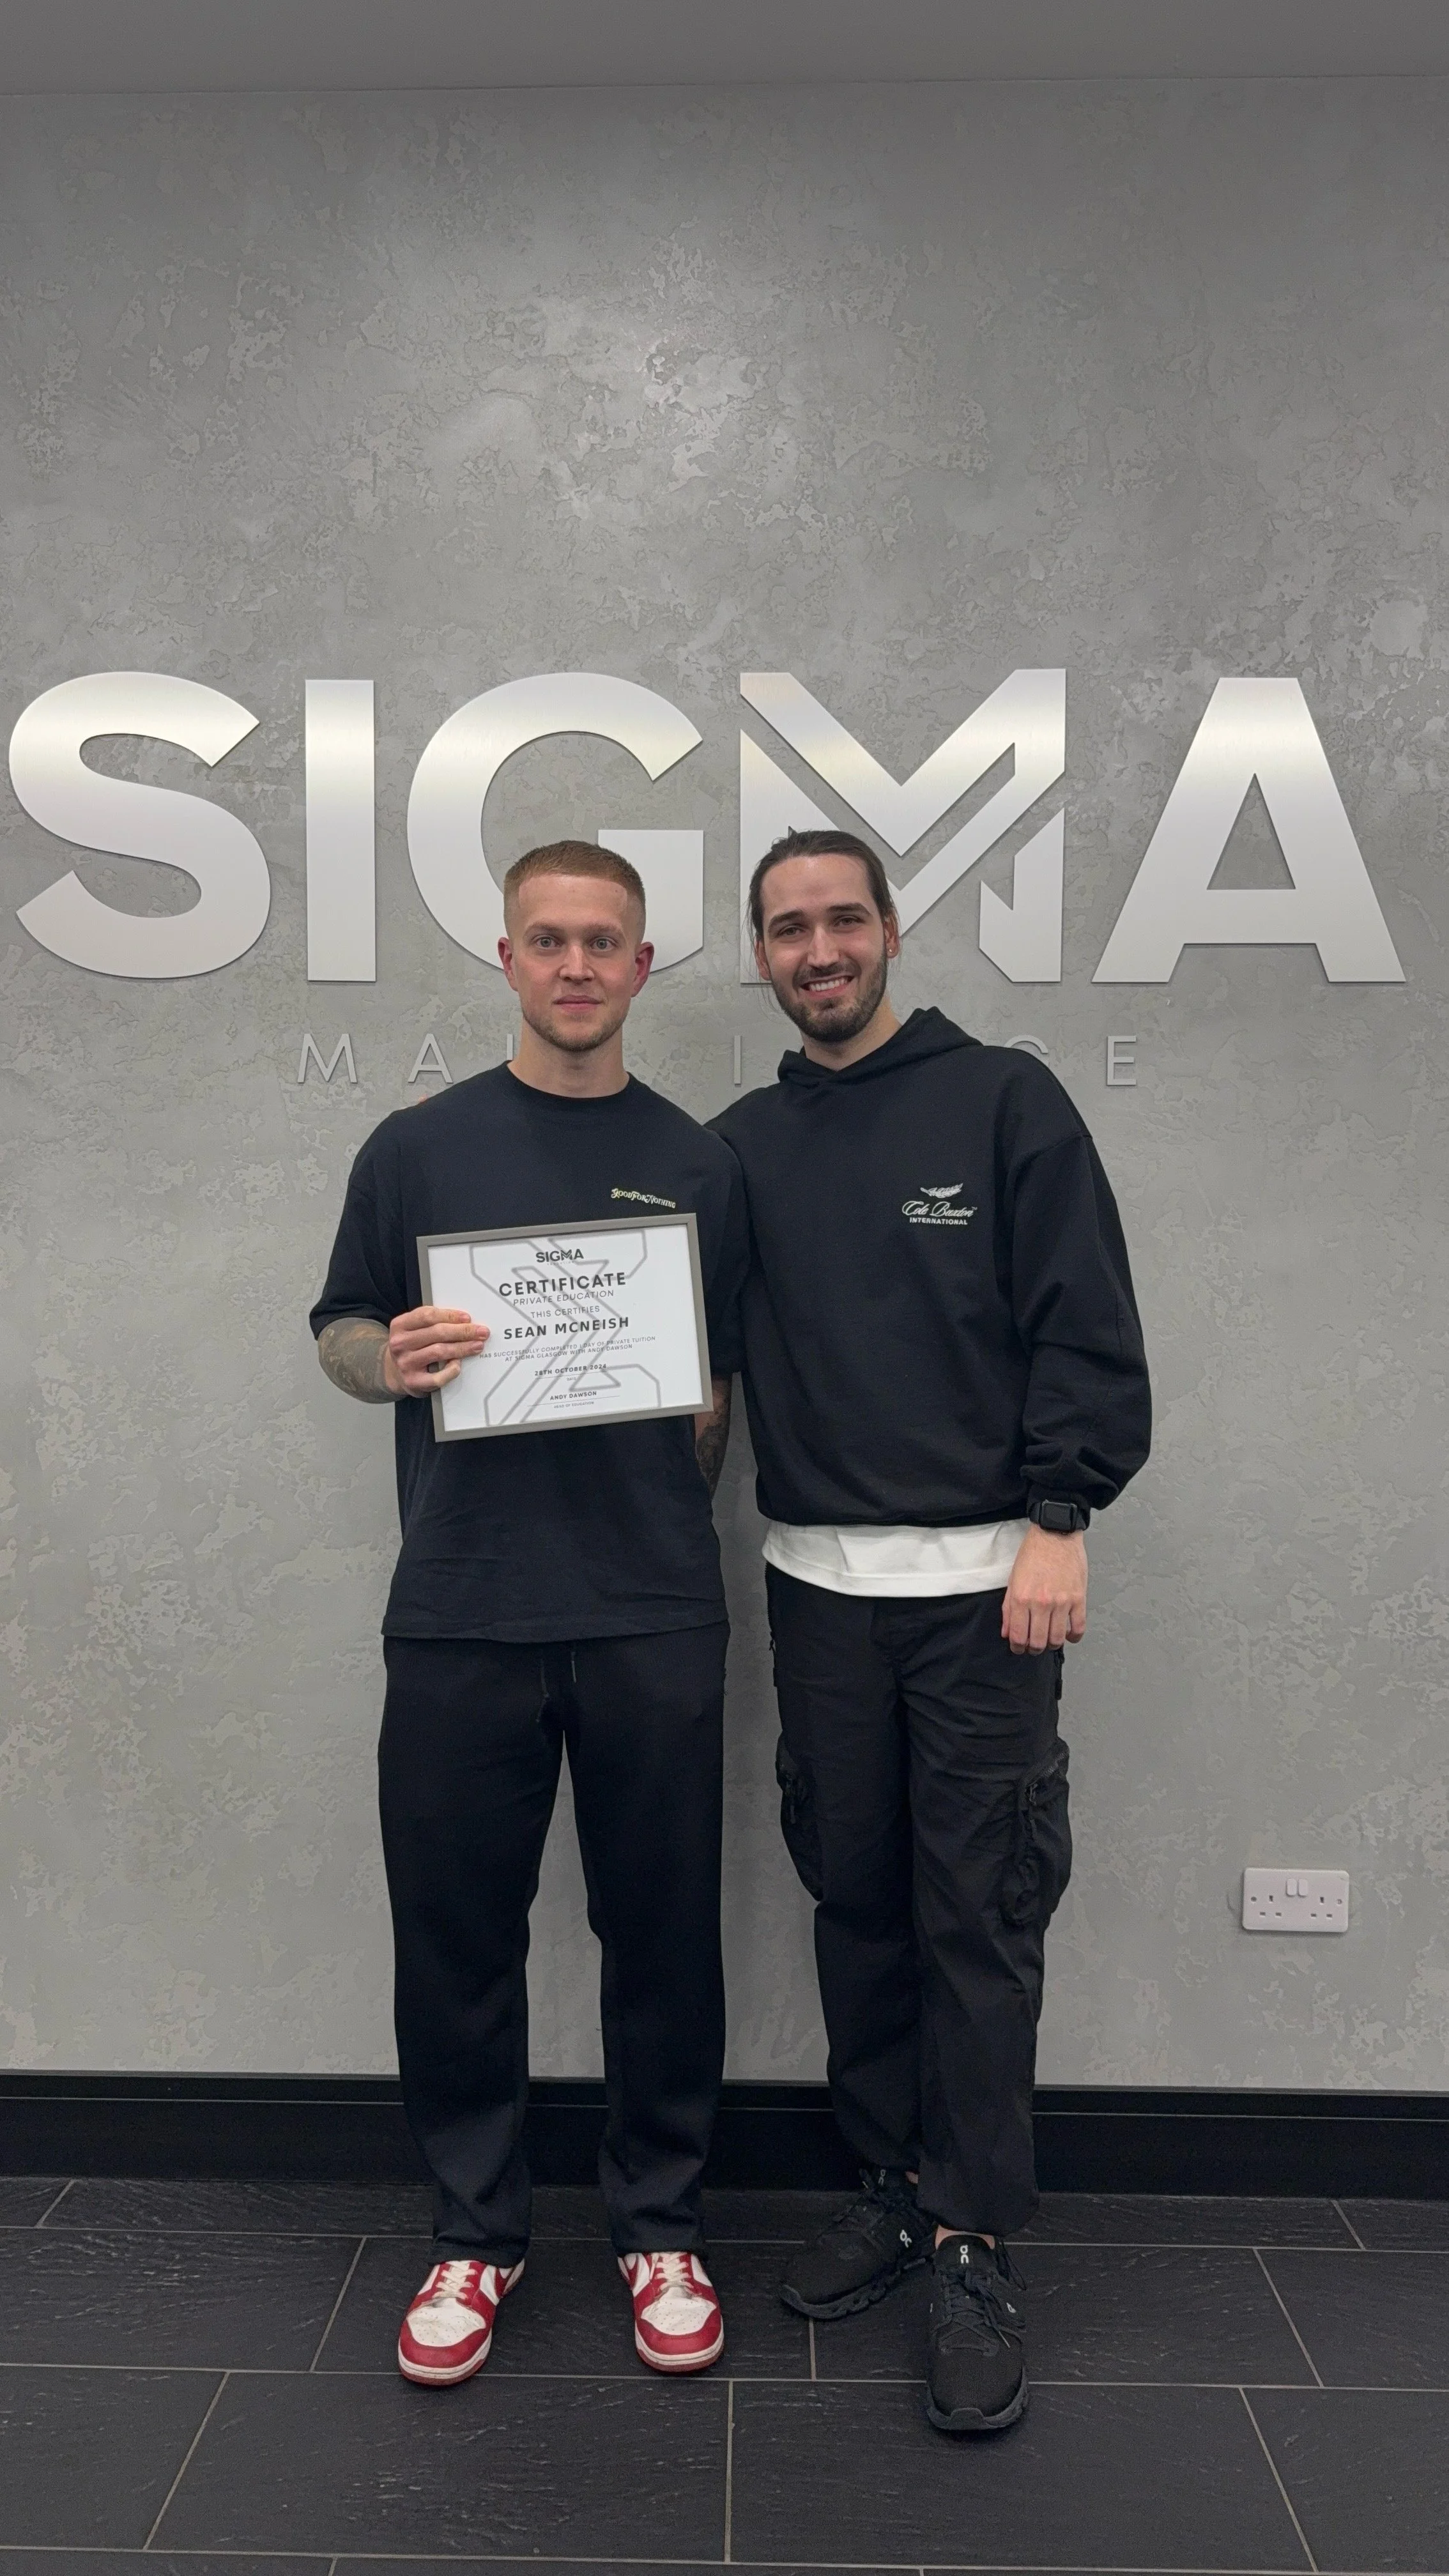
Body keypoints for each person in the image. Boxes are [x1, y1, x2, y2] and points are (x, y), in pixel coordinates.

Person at [710, 828, 1151, 2435]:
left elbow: (1085, 1325)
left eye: (842, 920)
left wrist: (1061, 1517)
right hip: (816, 1593)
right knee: (860, 1900)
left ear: (890, 932)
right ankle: (892, 2183)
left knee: (982, 1913)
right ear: (759, 954)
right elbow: (674, 1339)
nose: (818, 950)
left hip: (989, 1597)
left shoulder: (1007, 1100)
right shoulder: (742, 1144)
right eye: (786, 930)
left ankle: (973, 2237)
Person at [310, 840, 746, 2388]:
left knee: (662, 1933)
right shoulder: (415, 1147)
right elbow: (341, 1328)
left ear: (643, 967)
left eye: (605, 943)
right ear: (506, 957)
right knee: (455, 1943)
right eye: (549, 940)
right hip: (460, 1608)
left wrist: (681, 1413)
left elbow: (724, 1381)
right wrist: (397, 1362)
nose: (576, 966)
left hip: (648, 1609)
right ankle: (473, 2239)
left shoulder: (700, 1163)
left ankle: (660, 2224)